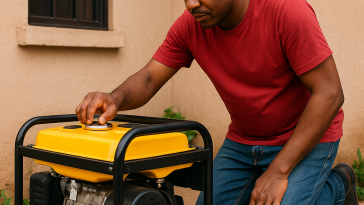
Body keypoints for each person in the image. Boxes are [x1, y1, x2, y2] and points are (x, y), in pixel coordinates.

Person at [76, 0, 359, 204]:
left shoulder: (287, 10)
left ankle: (338, 184)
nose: (190, 4)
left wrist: (278, 171)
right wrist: (115, 98)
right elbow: (150, 77)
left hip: (305, 139)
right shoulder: (190, 25)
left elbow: (330, 93)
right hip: (244, 142)